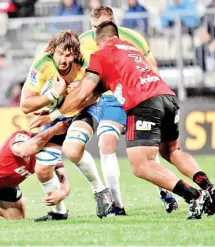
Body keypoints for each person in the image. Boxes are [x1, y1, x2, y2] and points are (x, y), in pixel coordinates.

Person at [31, 21, 215, 220]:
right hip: (167, 97)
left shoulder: (100, 55)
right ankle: (208, 186)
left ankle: (194, 196)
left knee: (141, 165)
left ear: (98, 40)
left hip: (143, 104)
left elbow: (82, 95)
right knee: (172, 151)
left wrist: (54, 108)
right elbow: (96, 94)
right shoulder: (130, 49)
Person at [78, 6, 178, 215]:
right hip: (111, 100)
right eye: (94, 27)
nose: (97, 32)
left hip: (139, 97)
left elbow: (152, 67)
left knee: (147, 150)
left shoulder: (133, 38)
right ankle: (117, 205)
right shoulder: (83, 42)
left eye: (101, 26)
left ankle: (166, 194)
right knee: (105, 141)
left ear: (113, 23)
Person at [21, 30, 112, 220]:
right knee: (42, 169)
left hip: (87, 107)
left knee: (72, 149)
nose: (63, 59)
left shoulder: (87, 62)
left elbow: (95, 95)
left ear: (76, 54)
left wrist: (68, 102)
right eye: (60, 53)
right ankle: (59, 212)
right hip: (58, 111)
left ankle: (100, 190)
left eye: (69, 55)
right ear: (53, 50)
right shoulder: (42, 64)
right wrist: (52, 95)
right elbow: (25, 105)